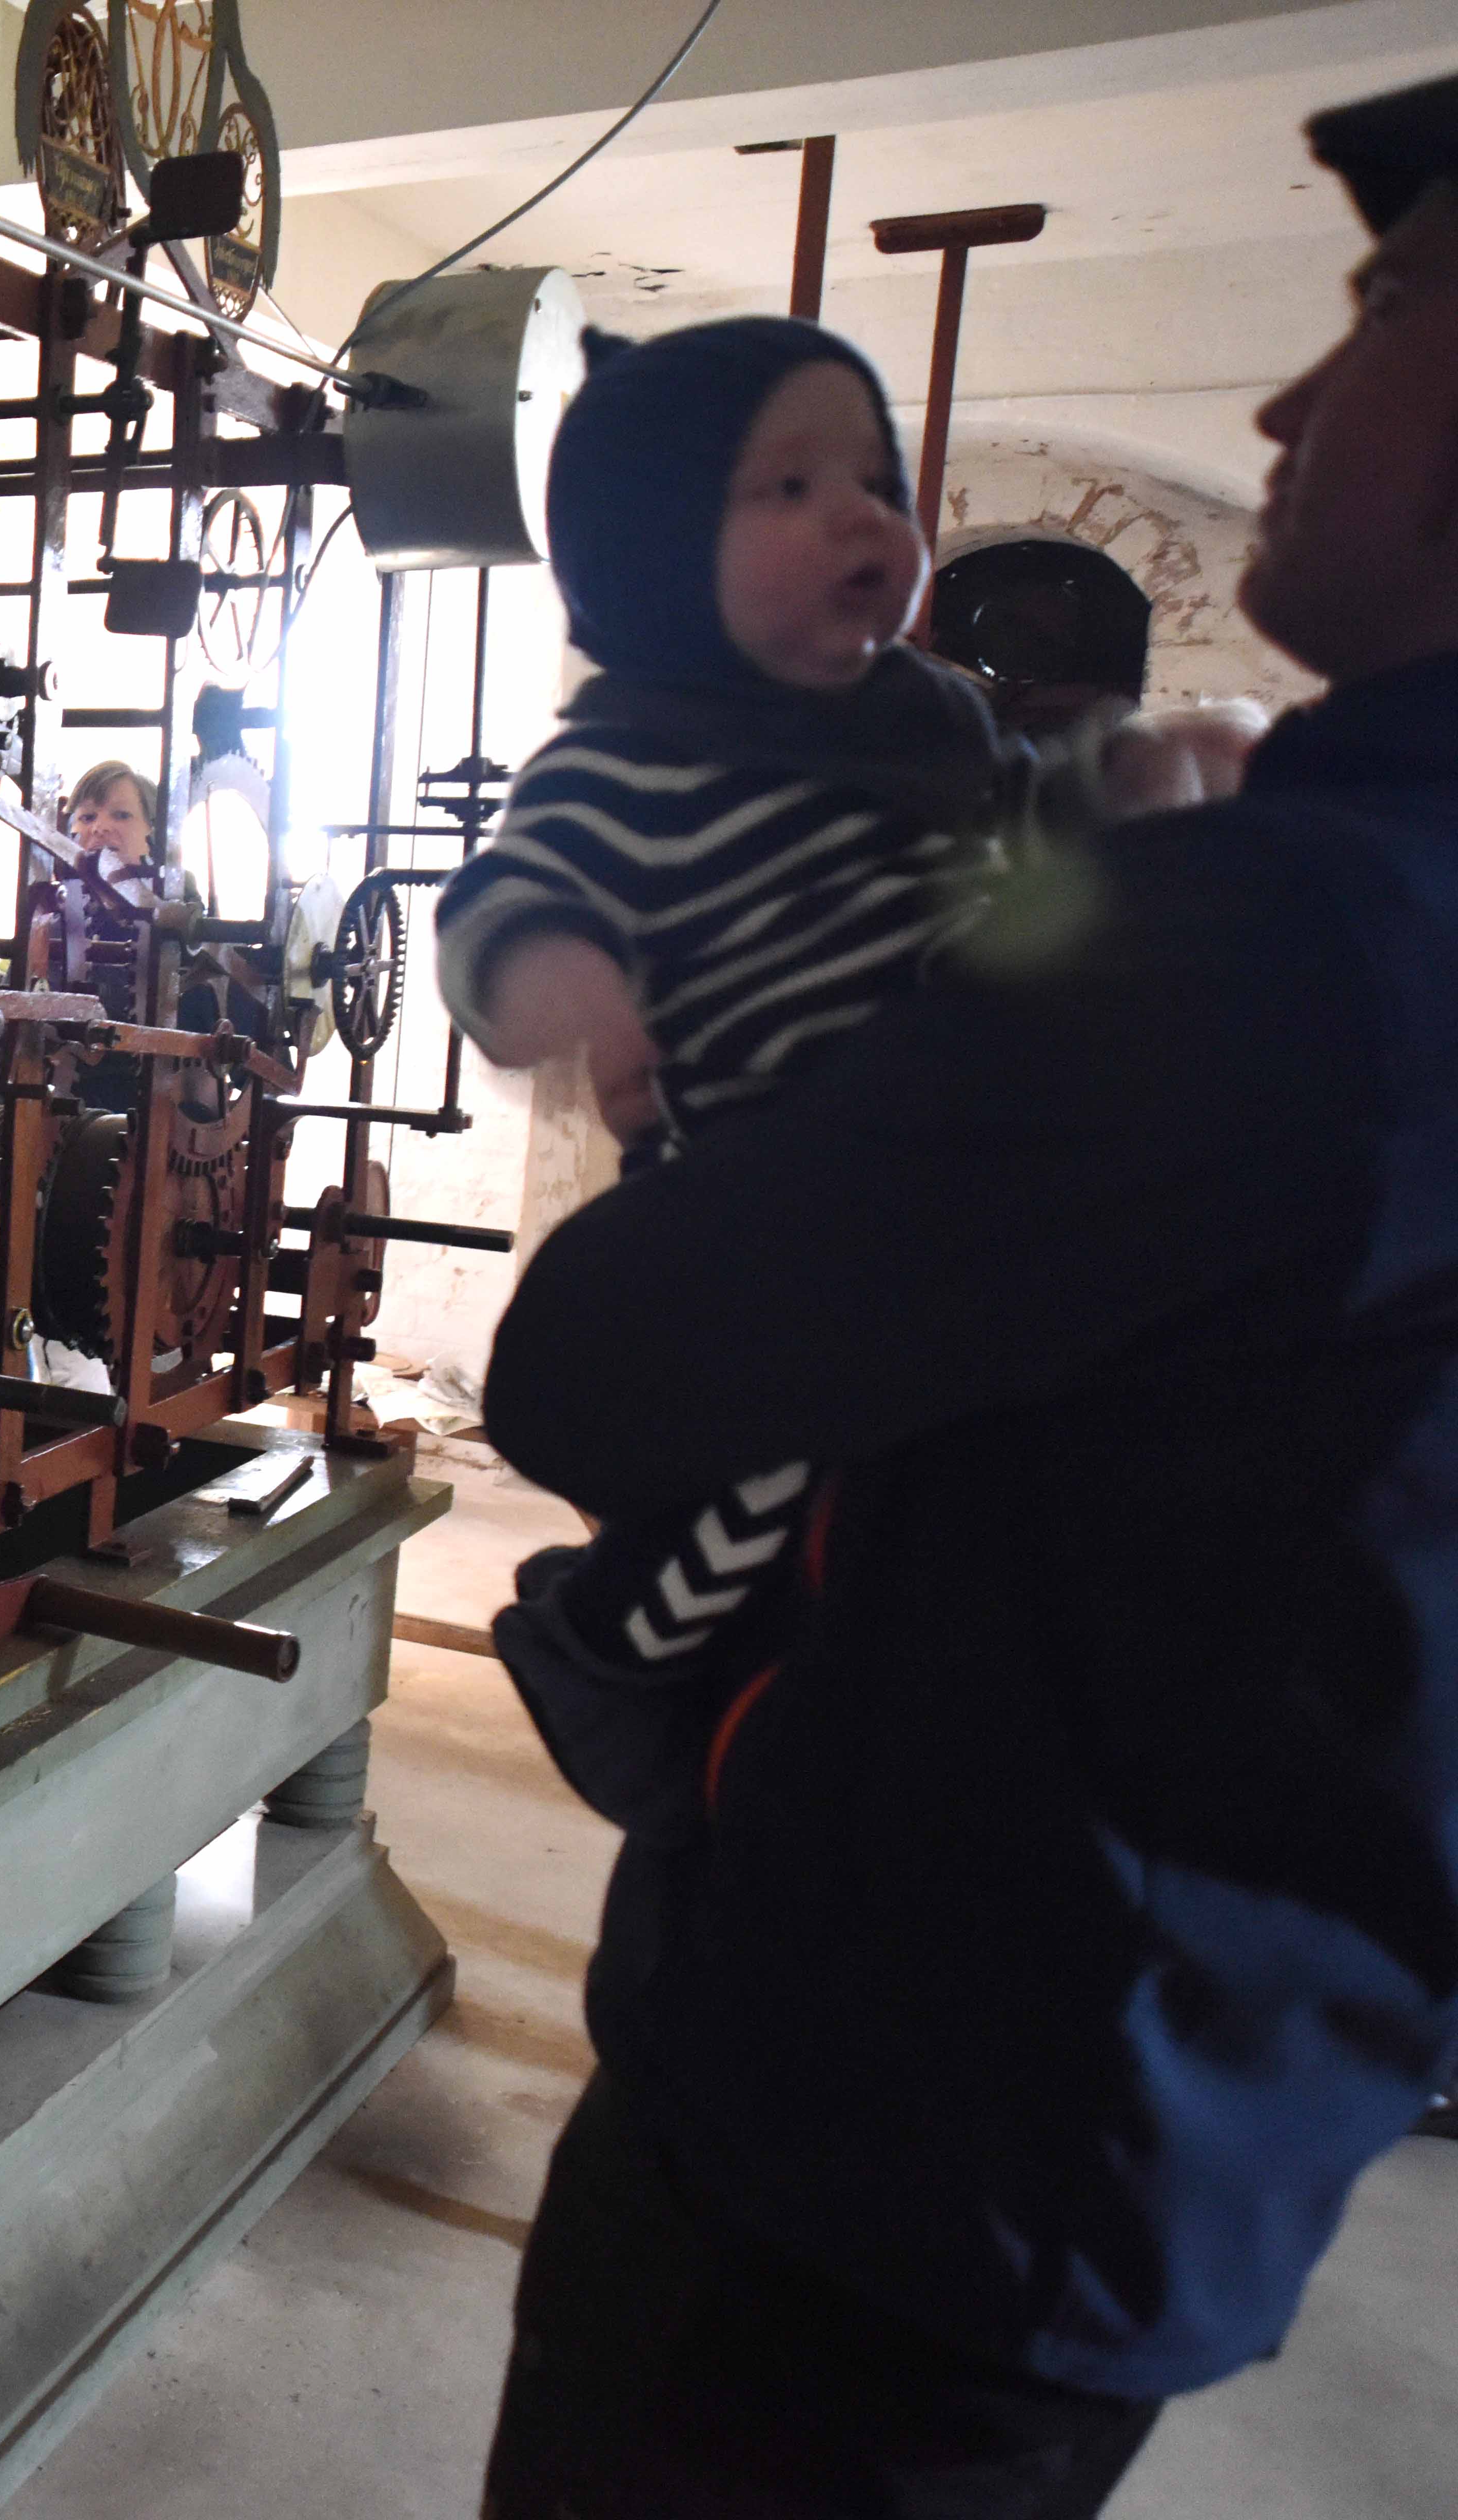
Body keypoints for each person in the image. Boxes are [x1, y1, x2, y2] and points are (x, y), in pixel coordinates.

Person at [475, 73, 1458, 2516]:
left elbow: (590, 1366)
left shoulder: (1302, 937)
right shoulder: (1346, 893)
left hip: (893, 2137)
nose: (1282, 405)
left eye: (1374, 312)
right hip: (1158, 2091)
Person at [432, 317, 1220, 1719]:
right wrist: (557, 978)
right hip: (756, 1173)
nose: (858, 516)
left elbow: (1018, 850)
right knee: (762, 1444)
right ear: (655, 553)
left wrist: (1121, 786)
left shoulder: (936, 719)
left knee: (899, 1439)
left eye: (876, 482)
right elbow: (503, 898)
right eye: (789, 487)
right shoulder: (625, 757)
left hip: (944, 1139)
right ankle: (613, 1647)